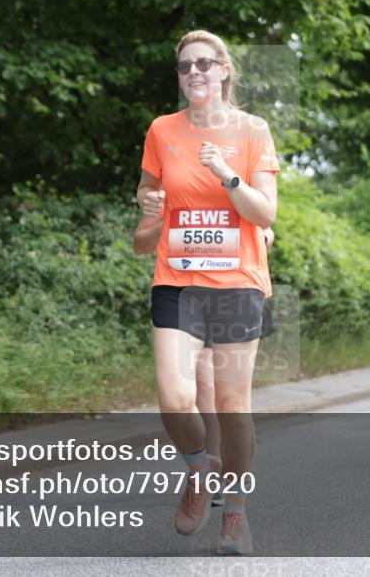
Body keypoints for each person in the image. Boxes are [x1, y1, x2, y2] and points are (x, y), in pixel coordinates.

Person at [136, 29, 278, 555]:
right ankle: (201, 468)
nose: (193, 72)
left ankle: (235, 514)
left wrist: (226, 175)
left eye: (204, 63)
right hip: (177, 279)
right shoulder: (161, 130)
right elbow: (148, 198)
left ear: (223, 70)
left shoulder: (252, 130)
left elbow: (266, 213)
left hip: (238, 282)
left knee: (232, 402)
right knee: (175, 398)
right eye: (184, 66)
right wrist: (151, 212)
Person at [134, 220, 276, 507]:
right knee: (200, 383)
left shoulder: (237, 180)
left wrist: (250, 238)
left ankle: (224, 475)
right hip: (185, 295)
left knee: (219, 391)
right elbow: (141, 242)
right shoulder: (173, 185)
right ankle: (206, 471)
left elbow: (267, 230)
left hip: (233, 293)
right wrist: (166, 225)